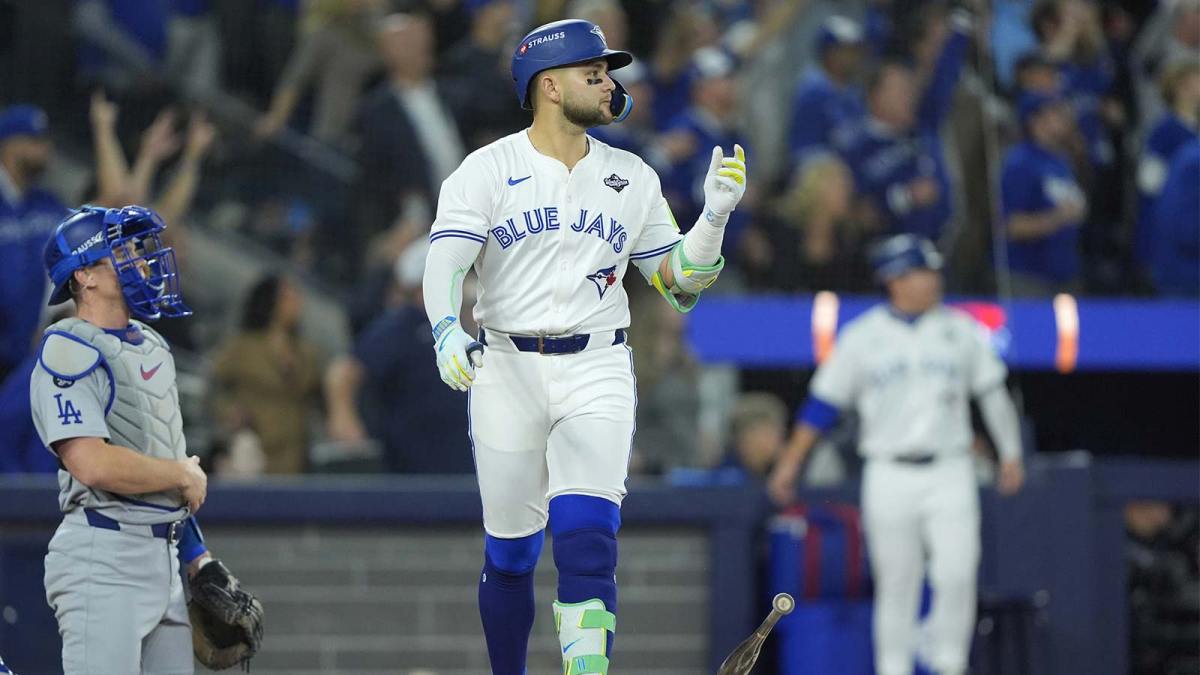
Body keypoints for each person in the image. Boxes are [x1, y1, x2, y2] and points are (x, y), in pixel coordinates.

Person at [421, 19, 747, 674]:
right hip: (506, 365)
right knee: (511, 550)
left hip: (598, 360)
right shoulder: (486, 169)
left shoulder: (632, 174)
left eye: (607, 72)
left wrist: (712, 218)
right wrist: (445, 327)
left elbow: (679, 285)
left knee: (587, 538)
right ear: (548, 86)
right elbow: (445, 262)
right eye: (592, 73)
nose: (608, 84)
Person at [767, 234, 1026, 675]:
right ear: (894, 280)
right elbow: (823, 406)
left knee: (957, 573)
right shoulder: (863, 337)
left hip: (950, 468)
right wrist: (790, 463)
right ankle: (894, 667)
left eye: (931, 271)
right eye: (921, 271)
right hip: (888, 472)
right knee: (896, 581)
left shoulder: (960, 329)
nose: (932, 279)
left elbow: (993, 395)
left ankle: (948, 662)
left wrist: (1012, 453)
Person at [30, 204, 262, 672]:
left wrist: (198, 559)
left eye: (137, 247)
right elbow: (91, 463)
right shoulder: (66, 348)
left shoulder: (152, 344)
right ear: (86, 276)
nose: (139, 258)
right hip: (102, 556)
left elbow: (165, 467)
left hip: (163, 556)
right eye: (123, 249)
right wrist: (180, 473)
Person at [325, 239, 474, 474]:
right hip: (415, 463)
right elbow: (344, 371)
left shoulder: (462, 326)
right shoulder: (403, 324)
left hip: (463, 460)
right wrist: (344, 418)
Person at [210, 273, 323, 474]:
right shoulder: (242, 348)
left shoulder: (306, 352)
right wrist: (227, 411)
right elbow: (215, 387)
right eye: (288, 298)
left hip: (295, 448)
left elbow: (317, 394)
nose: (296, 304)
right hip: (254, 445)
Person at [0, 105, 67, 386]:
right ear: (9, 144)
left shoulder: (46, 204)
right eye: (35, 141)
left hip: (25, 357)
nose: (46, 149)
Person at [1000, 91, 1087, 295]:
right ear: (1034, 120)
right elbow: (1010, 225)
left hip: (1063, 273)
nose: (1063, 119)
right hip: (1028, 276)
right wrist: (1057, 218)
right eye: (1054, 113)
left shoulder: (1060, 160)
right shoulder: (1020, 162)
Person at [787, 15, 866, 162]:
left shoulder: (853, 90)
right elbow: (804, 153)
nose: (854, 57)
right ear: (829, 52)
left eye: (856, 50)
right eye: (847, 50)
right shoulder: (812, 93)